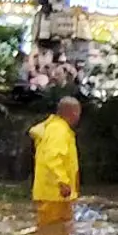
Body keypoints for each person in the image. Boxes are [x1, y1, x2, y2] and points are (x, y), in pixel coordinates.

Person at [29, 96, 82, 225]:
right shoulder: (58, 130)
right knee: (50, 230)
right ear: (72, 113)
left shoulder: (56, 128)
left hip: (56, 194)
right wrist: (63, 181)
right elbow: (53, 157)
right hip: (54, 193)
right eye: (78, 112)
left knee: (61, 231)